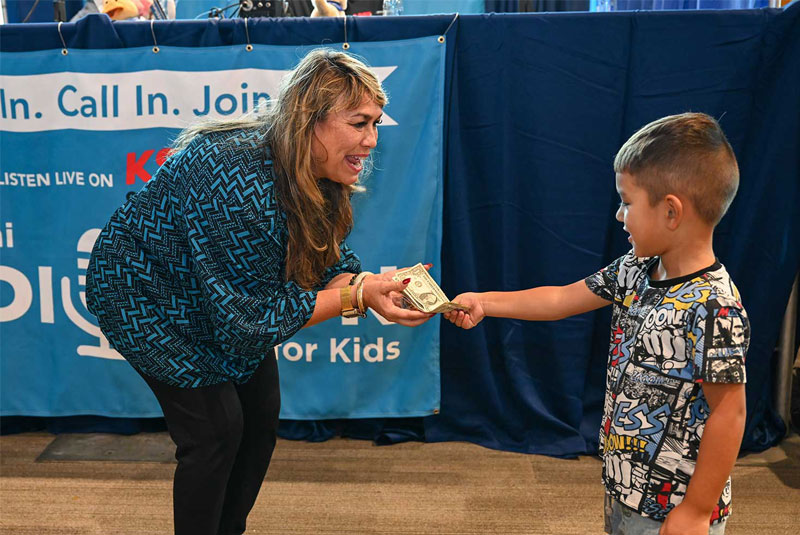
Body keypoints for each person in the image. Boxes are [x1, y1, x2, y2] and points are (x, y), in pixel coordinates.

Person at [85, 48, 432, 535]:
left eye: (376, 124)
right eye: (359, 123)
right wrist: (357, 298)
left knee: (260, 415)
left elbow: (325, 265)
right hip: (145, 297)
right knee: (215, 432)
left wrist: (368, 285)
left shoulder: (320, 172)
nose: (371, 141)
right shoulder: (234, 172)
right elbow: (248, 321)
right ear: (309, 118)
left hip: (221, 299)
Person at [445, 112, 749, 535]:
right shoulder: (638, 268)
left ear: (671, 211)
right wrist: (483, 302)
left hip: (675, 512)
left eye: (627, 201)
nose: (619, 215)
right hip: (624, 492)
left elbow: (729, 413)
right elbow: (562, 298)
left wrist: (697, 510)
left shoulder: (715, 307)